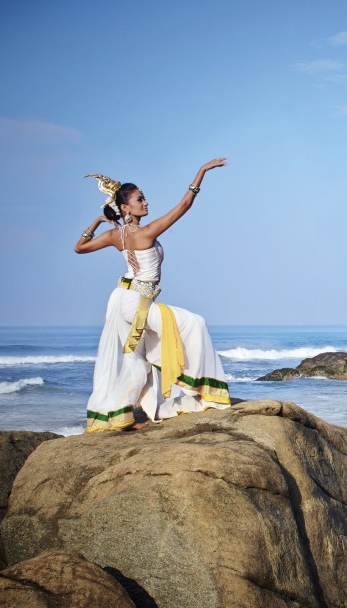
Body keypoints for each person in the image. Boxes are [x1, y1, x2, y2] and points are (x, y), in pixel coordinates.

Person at [76, 160, 232, 431]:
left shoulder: (115, 235)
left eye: (144, 197)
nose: (146, 202)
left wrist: (98, 221)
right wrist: (202, 172)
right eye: (139, 199)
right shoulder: (147, 232)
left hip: (127, 300)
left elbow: (80, 247)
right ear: (125, 208)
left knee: (137, 360)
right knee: (194, 323)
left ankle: (124, 417)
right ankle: (203, 390)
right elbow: (183, 206)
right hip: (137, 304)